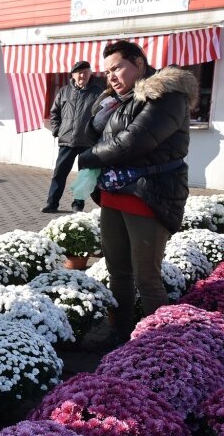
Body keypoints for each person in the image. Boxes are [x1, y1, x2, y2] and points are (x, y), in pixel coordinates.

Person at [77, 40, 198, 348]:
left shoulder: (167, 94)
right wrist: (101, 110)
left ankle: (160, 346)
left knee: (147, 277)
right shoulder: (116, 100)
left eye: (117, 67)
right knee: (117, 271)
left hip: (148, 196)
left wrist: (90, 157)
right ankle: (120, 334)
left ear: (139, 63)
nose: (111, 76)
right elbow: (91, 135)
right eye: (107, 71)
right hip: (113, 194)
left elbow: (135, 141)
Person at [42, 60, 103, 213]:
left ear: (90, 73)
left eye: (86, 72)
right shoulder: (64, 91)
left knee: (83, 176)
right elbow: (54, 112)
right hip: (67, 140)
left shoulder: (99, 91)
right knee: (59, 174)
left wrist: (97, 135)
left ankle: (78, 205)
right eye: (80, 72)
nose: (83, 75)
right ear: (73, 75)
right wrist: (57, 130)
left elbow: (104, 115)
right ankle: (52, 203)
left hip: (87, 141)